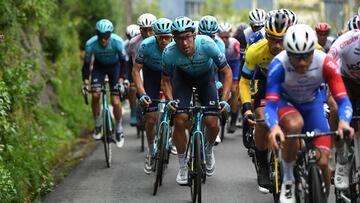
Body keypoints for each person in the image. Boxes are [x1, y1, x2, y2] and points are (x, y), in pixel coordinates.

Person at [265, 24, 354, 202]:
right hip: (287, 103)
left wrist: (344, 121)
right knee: (294, 124)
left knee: (323, 164)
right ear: (287, 53)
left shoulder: (325, 62)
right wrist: (274, 127)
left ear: (313, 51)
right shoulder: (278, 65)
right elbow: (270, 105)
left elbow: (343, 100)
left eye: (306, 56)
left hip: (312, 105)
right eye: (296, 58)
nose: (302, 63)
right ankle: (288, 179)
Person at [161, 16, 233, 185]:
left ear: (194, 35)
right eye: (179, 39)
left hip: (206, 79)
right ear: (174, 39)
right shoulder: (169, 52)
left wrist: (224, 99)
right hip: (182, 79)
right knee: (180, 120)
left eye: (187, 37)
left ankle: (208, 150)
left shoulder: (207, 44)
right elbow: (165, 81)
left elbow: (227, 72)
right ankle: (182, 166)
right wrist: (170, 100)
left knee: (212, 122)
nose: (184, 43)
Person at [239, 11, 289, 193]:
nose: (277, 45)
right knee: (261, 120)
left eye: (282, 40)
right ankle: (262, 163)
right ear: (265, 35)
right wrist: (246, 109)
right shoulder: (255, 50)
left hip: (290, 84)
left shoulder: (299, 49)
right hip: (266, 82)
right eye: (272, 39)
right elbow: (244, 81)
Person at [132, 18, 173, 174]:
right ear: (155, 36)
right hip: (151, 76)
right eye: (160, 37)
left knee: (180, 111)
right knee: (150, 116)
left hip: (172, 75)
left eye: (167, 37)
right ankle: (150, 150)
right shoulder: (145, 45)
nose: (163, 40)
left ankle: (172, 137)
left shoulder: (177, 46)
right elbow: (136, 71)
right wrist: (142, 94)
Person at [81, 19, 126, 148]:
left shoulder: (117, 42)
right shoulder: (90, 44)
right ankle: (97, 125)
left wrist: (121, 80)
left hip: (115, 67)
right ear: (97, 35)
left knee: (116, 101)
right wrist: (85, 81)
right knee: (95, 95)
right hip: (99, 68)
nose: (103, 40)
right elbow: (86, 65)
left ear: (110, 35)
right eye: (101, 37)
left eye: (106, 37)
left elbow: (124, 63)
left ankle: (118, 128)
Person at [328, 27, 360, 190]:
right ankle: (337, 152)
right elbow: (328, 60)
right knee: (335, 109)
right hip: (344, 81)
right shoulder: (347, 40)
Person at [126, 13, 157, 126]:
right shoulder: (133, 43)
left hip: (155, 67)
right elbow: (129, 61)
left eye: (151, 30)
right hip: (139, 67)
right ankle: (134, 112)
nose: (148, 34)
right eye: (144, 30)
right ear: (140, 30)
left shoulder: (162, 39)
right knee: (134, 87)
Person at [218, 22, 241, 133]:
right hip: (220, 67)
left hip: (233, 65)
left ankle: (233, 118)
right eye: (222, 37)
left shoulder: (235, 44)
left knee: (234, 90)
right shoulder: (215, 43)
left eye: (227, 37)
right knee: (219, 86)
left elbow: (238, 62)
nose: (224, 40)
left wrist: (235, 81)